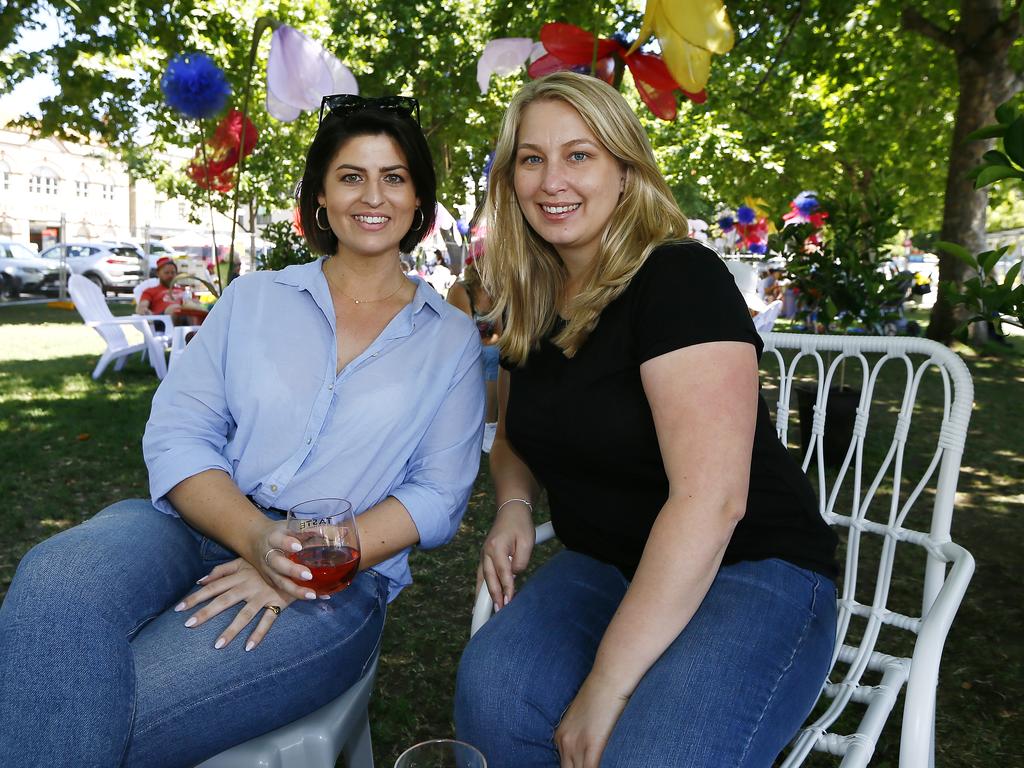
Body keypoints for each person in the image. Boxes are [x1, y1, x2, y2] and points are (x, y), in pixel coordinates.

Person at [0, 93, 484, 767]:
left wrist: (305, 561)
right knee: (56, 584)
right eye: (351, 175)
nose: (372, 195)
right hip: (191, 525)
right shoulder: (255, 298)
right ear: (320, 195)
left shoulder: (450, 339)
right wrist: (256, 537)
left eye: (394, 176)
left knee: (88, 704)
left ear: (418, 200)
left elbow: (438, 495)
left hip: (337, 581)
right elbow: (177, 434)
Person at [455, 72, 838, 767]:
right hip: (608, 563)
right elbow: (513, 437)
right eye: (531, 159)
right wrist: (513, 505)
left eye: (580, 154)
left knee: (652, 754)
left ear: (626, 171)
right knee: (495, 696)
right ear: (509, 181)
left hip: (749, 566)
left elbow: (712, 502)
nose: (551, 180)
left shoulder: (679, 279)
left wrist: (607, 683)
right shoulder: (530, 298)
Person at [446, 253, 501, 452]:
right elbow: (464, 335)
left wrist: (494, 340)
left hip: (486, 347)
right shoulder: (461, 290)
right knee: (494, 355)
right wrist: (492, 341)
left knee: (504, 355)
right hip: (460, 348)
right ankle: (489, 424)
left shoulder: (496, 292)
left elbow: (500, 333)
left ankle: (491, 423)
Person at [138, 256, 210, 326]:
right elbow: (142, 307)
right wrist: (146, 312)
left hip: (187, 316)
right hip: (163, 320)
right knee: (175, 308)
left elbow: (197, 304)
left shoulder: (184, 290)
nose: (170, 275)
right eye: (166, 273)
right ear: (158, 273)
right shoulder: (150, 291)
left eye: (173, 272)